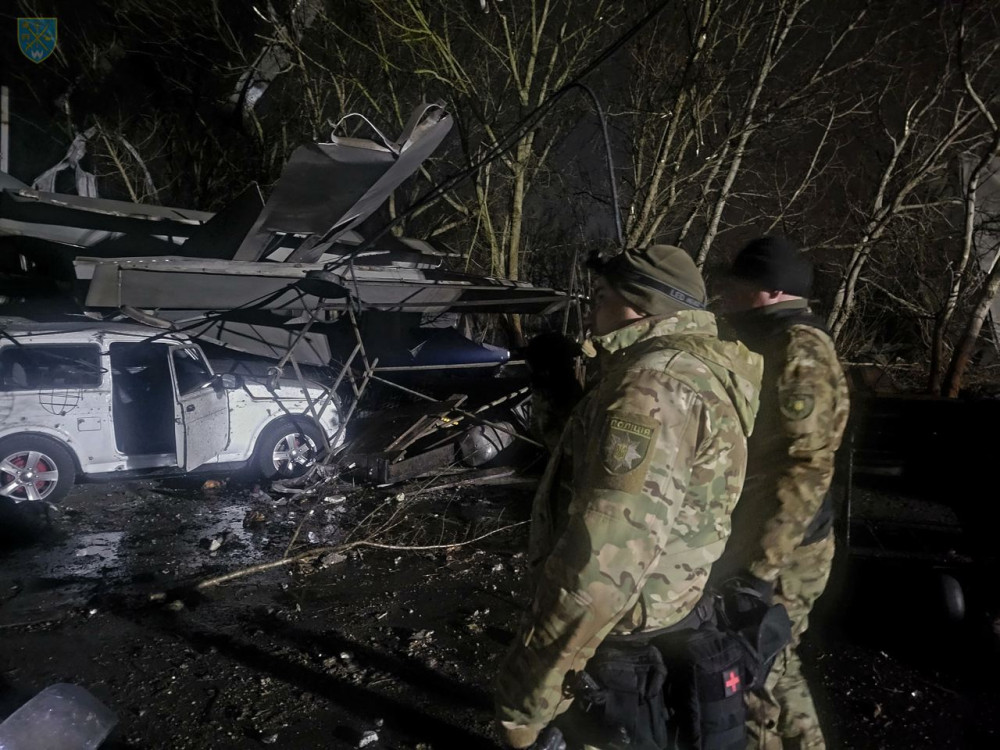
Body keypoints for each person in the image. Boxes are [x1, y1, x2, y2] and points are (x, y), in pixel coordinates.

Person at [493, 244, 764, 749]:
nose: (590, 310)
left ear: (641, 305)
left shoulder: (650, 388)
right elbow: (592, 465)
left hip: (623, 634)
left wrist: (527, 701)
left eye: (600, 297)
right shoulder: (694, 368)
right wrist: (556, 389)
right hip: (671, 606)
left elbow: (601, 567)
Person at [714, 236, 850, 750]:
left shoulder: (797, 349)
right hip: (778, 537)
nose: (727, 293)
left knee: (748, 674)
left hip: (785, 546)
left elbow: (805, 465)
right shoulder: (772, 338)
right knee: (777, 660)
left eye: (739, 283)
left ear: (772, 290)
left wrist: (759, 568)